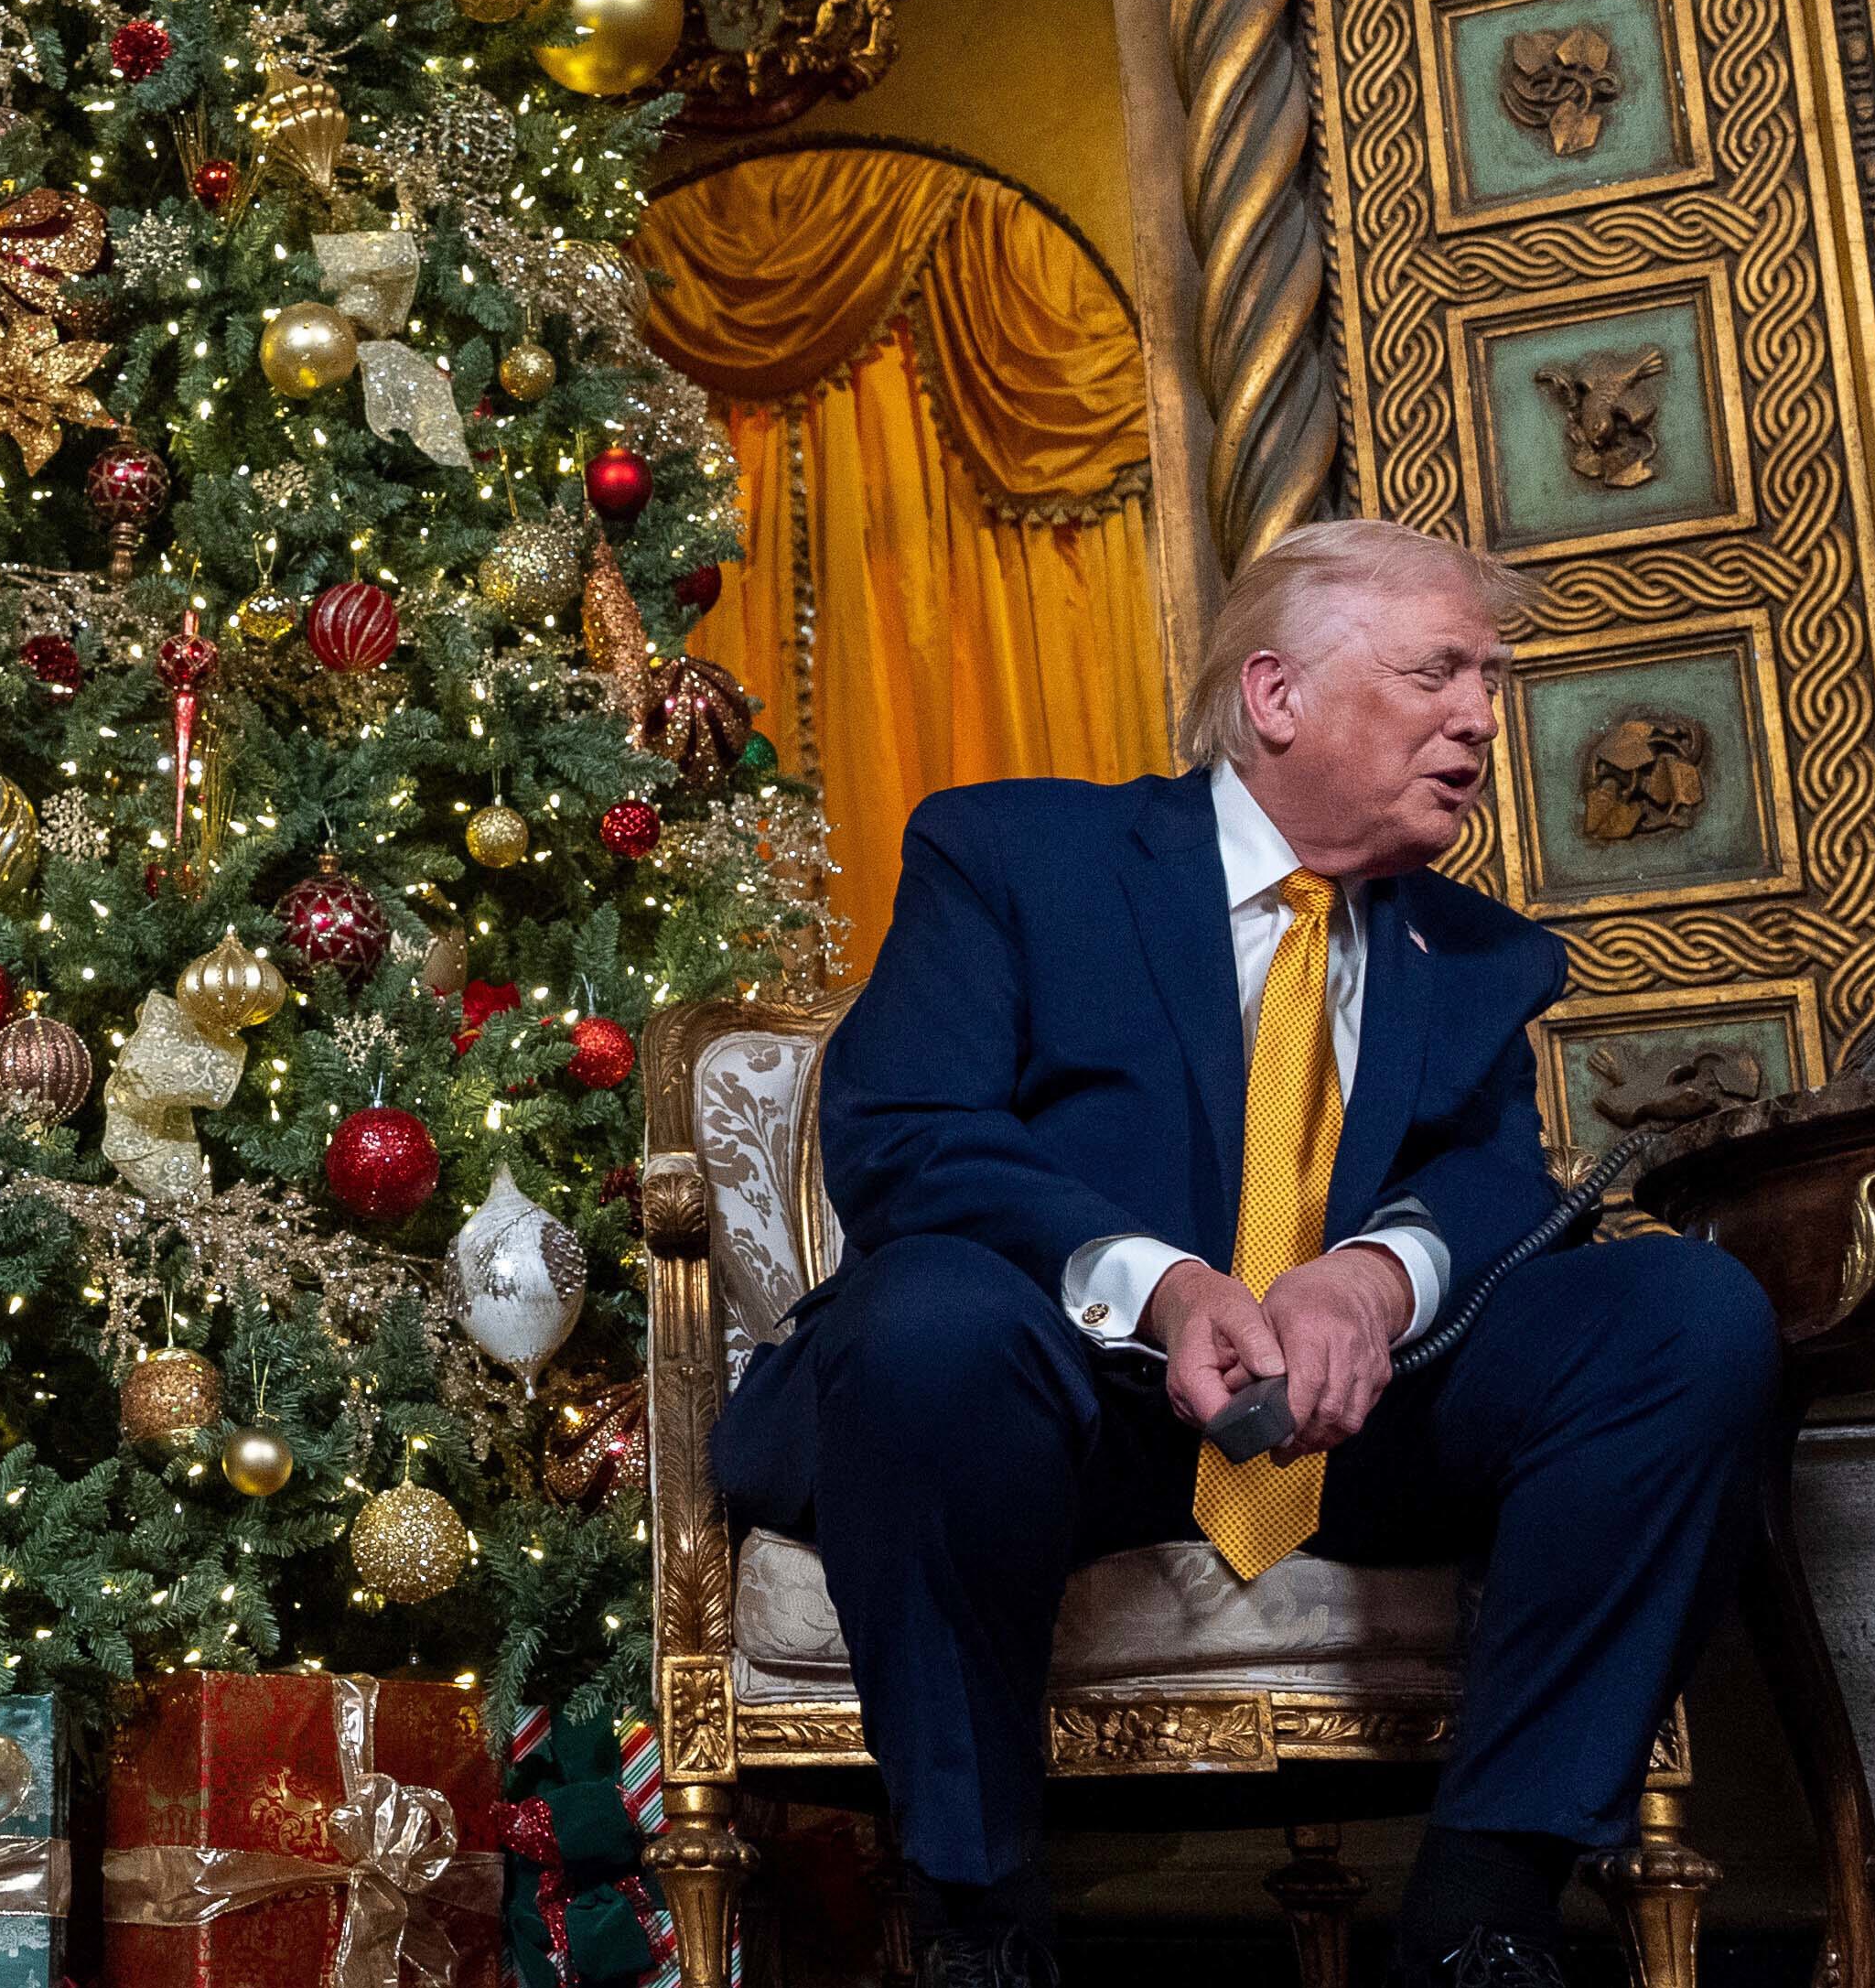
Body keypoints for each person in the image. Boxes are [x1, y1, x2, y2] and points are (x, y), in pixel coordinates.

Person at [710, 520, 1781, 1988]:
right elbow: (906, 1133)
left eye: (1487, 678)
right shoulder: (1014, 853)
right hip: (1053, 1411)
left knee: (1685, 1311)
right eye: (1435, 672)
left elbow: (1486, 1183)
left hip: (1343, 1427)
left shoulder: (1478, 955)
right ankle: (978, 1916)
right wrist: (1163, 1279)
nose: (1478, 713)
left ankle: (1484, 1909)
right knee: (931, 1321)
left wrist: (1371, 1275)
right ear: (1274, 694)